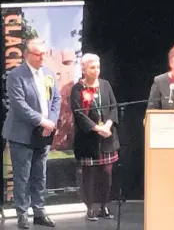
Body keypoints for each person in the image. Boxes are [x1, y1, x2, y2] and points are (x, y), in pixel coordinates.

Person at [2, 38, 61, 229]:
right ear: (27, 55)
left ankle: (39, 212)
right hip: (22, 134)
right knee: (22, 176)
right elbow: (19, 105)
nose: (42, 57)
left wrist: (50, 121)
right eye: (38, 54)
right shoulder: (15, 75)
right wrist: (41, 120)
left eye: (44, 53)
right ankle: (22, 215)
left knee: (39, 175)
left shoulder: (49, 73)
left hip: (44, 133)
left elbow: (56, 99)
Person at [70, 53, 120, 221]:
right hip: (88, 140)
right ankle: (90, 208)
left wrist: (108, 125)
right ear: (83, 69)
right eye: (92, 67)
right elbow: (78, 114)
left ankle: (104, 207)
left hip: (107, 138)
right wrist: (97, 128)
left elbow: (114, 107)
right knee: (89, 175)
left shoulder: (105, 85)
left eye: (98, 67)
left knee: (107, 174)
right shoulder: (78, 88)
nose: (96, 70)